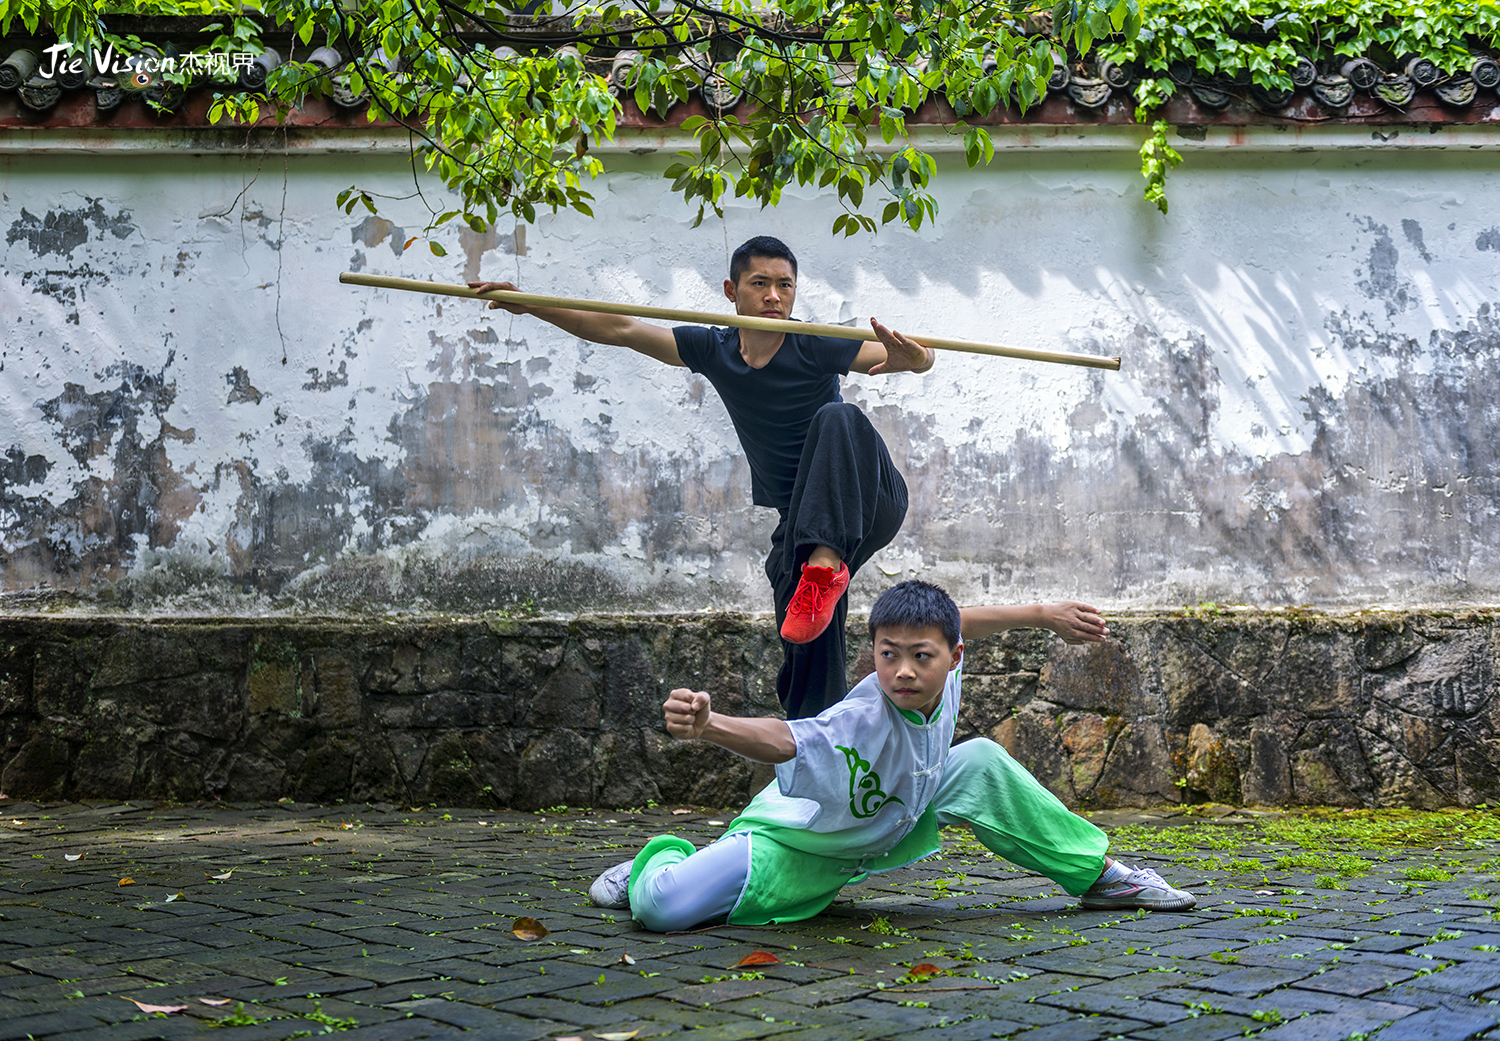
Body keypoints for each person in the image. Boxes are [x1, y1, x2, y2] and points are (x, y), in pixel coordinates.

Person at [470, 236, 931, 719]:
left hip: (869, 498)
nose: (774, 296)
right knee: (803, 644)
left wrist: (915, 360)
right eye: (760, 284)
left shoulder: (814, 341)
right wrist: (531, 305)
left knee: (838, 417)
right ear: (732, 290)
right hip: (802, 520)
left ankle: (823, 564)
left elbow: (912, 356)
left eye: (784, 286)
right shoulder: (714, 348)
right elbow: (621, 328)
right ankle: (817, 748)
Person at [586, 580, 1195, 930]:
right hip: (801, 842)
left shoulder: (945, 662)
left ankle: (1104, 881)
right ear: (874, 651)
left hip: (900, 806)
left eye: (920, 655)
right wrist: (710, 724)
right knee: (663, 909)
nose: (902, 670)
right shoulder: (862, 716)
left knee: (979, 761)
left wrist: (1042, 615)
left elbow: (961, 621)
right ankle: (660, 863)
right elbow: (785, 738)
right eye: (887, 654)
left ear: (952, 657)